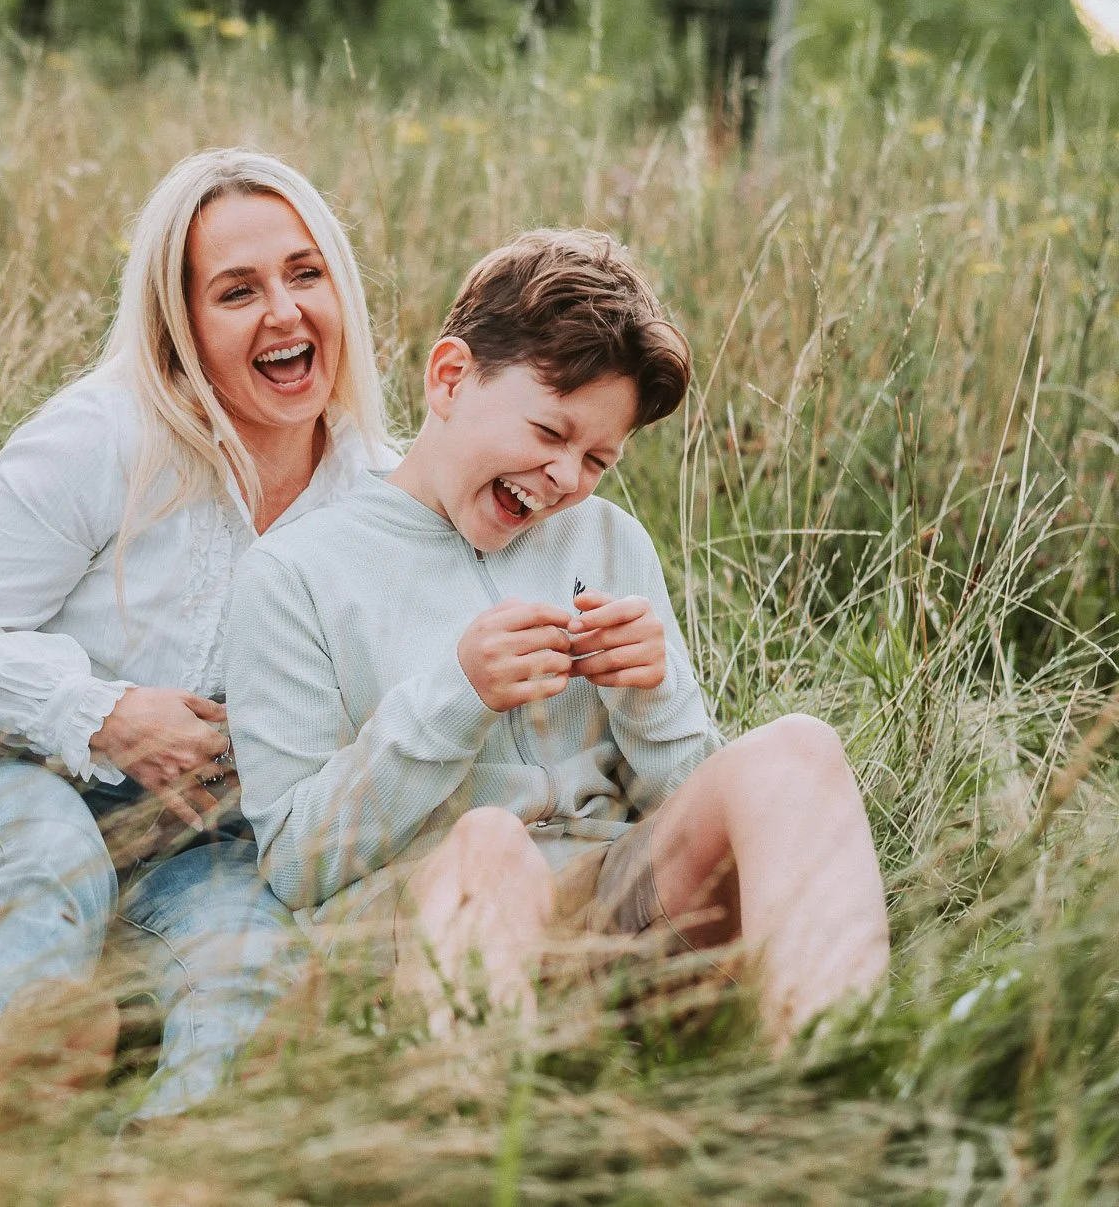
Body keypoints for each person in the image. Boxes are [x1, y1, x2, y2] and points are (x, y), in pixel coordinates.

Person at [226, 229, 890, 1048]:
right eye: (549, 432)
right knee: (490, 846)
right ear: (451, 378)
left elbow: (687, 806)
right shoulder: (293, 572)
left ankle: (837, 1075)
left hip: (613, 913)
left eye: (598, 459)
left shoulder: (608, 541)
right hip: (424, 922)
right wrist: (456, 694)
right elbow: (296, 862)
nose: (566, 478)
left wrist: (654, 697)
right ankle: (475, 1138)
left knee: (798, 751)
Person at [0, 148, 397, 1124]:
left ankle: (161, 1167)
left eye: (303, 274)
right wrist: (103, 712)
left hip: (215, 841)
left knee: (246, 971)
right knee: (49, 865)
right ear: (181, 323)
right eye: (236, 290)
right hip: (25, 781)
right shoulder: (100, 436)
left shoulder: (378, 492)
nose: (282, 313)